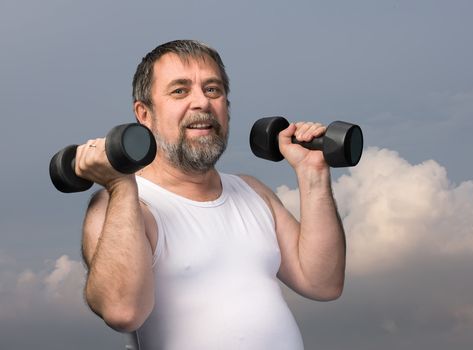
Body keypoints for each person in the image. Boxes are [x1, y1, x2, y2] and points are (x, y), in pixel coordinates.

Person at [77, 40, 345, 350]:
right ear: (144, 113)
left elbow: (322, 282)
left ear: (226, 109)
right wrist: (122, 185)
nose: (202, 102)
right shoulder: (124, 205)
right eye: (180, 91)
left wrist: (314, 174)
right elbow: (122, 312)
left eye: (213, 90)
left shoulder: (252, 191)